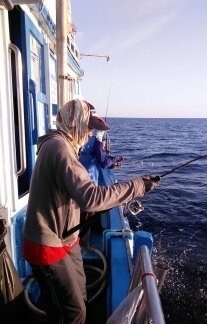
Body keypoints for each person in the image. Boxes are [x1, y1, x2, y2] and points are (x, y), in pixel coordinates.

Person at [22, 98, 159, 324]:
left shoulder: (61, 144)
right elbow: (90, 198)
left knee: (81, 299)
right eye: (88, 127)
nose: (89, 134)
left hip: (65, 240)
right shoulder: (60, 148)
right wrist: (137, 186)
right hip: (47, 246)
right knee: (73, 313)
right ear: (74, 123)